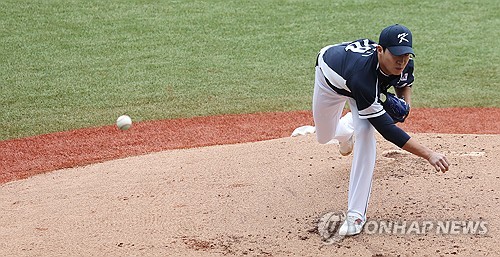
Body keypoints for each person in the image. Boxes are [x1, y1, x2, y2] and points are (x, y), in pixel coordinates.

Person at [312, 24, 450, 236]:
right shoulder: (363, 78)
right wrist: (428, 154)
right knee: (324, 136)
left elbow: (404, 84)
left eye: (405, 54)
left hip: (362, 85)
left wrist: (405, 106)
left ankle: (355, 213)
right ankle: (348, 128)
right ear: (380, 50)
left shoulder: (404, 63)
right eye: (395, 55)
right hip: (331, 78)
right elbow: (388, 131)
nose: (401, 61)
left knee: (366, 132)